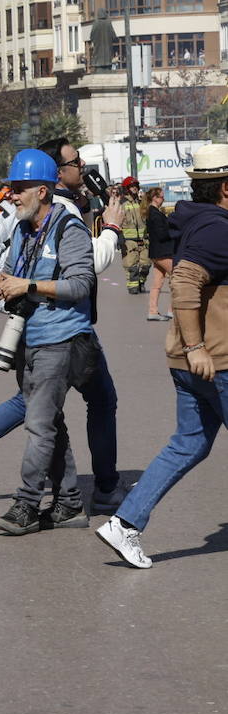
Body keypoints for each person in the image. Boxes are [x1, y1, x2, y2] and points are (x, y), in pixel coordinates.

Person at [97, 144, 228, 568]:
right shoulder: (218, 229)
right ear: (225, 187)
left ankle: (125, 523)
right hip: (216, 360)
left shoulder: (198, 220)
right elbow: (186, 281)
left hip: (189, 361)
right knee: (187, 444)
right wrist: (198, 347)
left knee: (189, 444)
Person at [0, 150, 98, 534]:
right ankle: (68, 504)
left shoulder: (70, 228)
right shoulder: (22, 229)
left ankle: (26, 503)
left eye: (20, 189)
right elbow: (16, 273)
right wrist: (4, 281)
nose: (12, 196)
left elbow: (83, 284)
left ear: (44, 191)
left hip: (60, 339)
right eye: (11, 188)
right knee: (52, 423)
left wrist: (28, 285)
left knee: (38, 425)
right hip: (28, 339)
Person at [144, 186, 173, 321]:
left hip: (156, 252)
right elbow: (162, 234)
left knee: (157, 283)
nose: (163, 199)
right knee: (177, 279)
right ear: (155, 198)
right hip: (164, 252)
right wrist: (173, 231)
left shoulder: (151, 211)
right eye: (162, 196)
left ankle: (153, 311)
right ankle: (172, 310)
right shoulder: (155, 213)